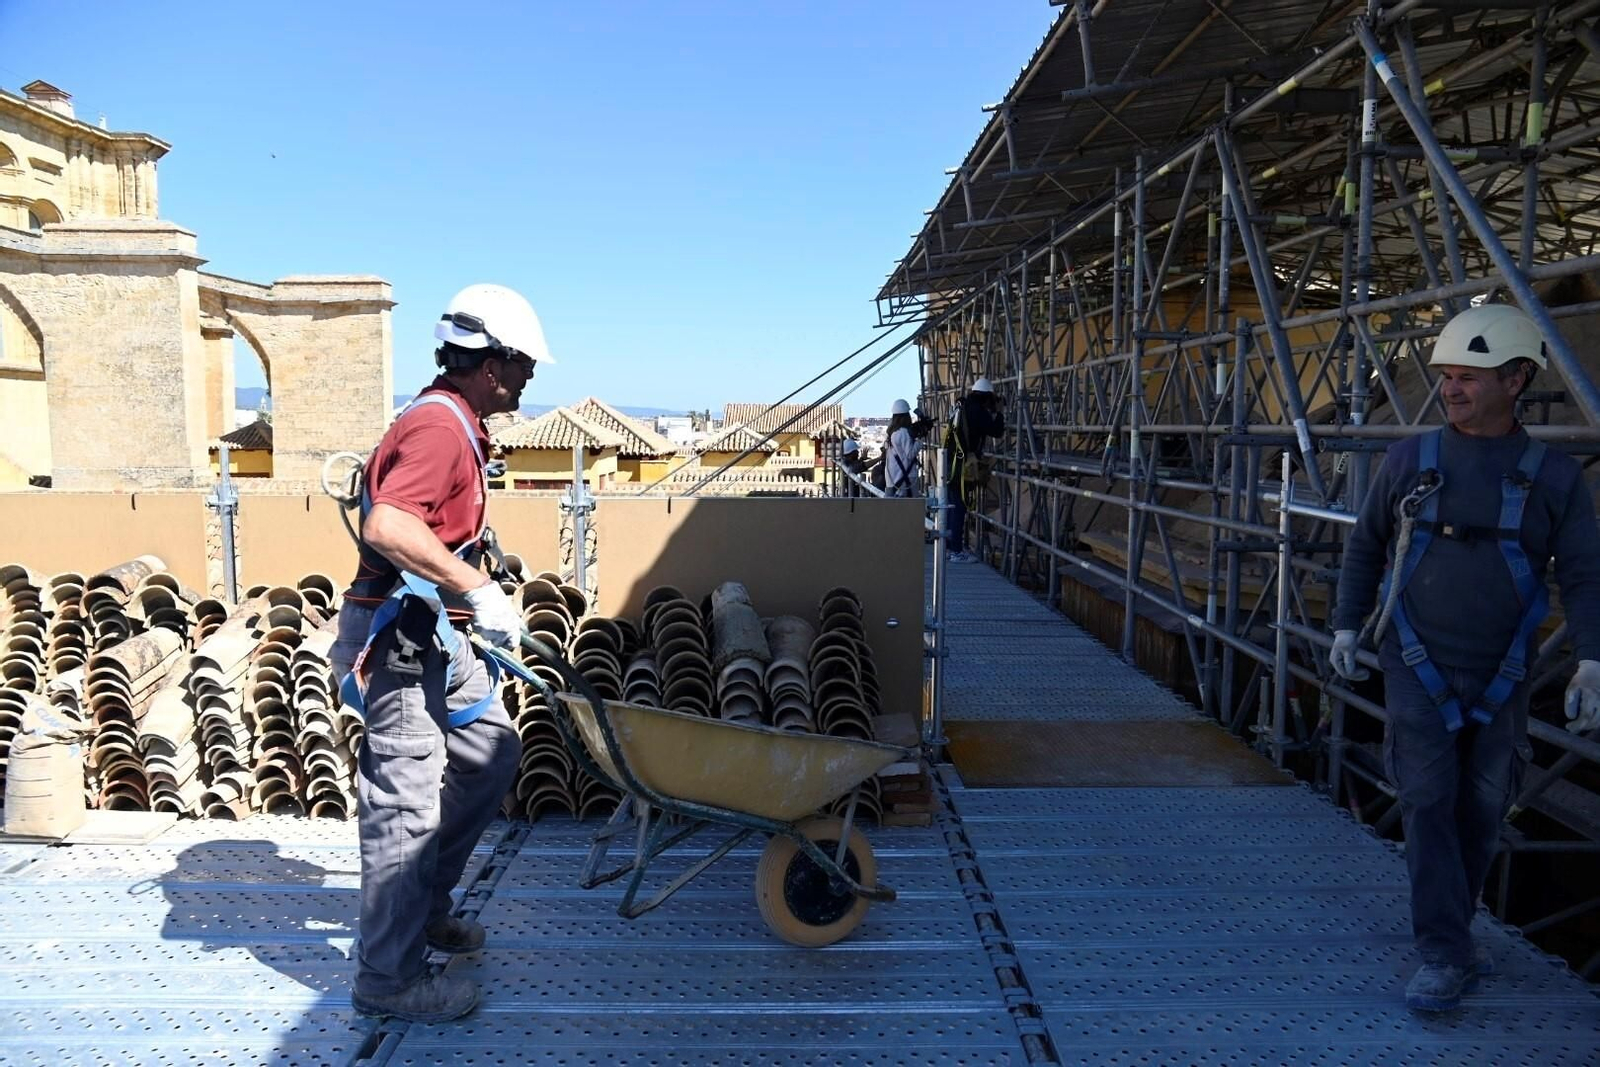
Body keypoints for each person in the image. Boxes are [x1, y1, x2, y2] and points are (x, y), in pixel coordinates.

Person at [1331, 303, 1600, 1013]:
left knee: (1483, 807)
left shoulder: (1553, 478)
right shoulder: (1410, 460)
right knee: (1425, 799)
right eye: (1446, 375)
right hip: (1416, 660)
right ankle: (1444, 951)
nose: (1449, 388)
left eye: (1467, 377)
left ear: (1516, 380)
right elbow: (1364, 545)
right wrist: (1345, 625)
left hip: (1503, 672)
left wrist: (1593, 659)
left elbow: (1583, 573)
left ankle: (1457, 929)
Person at [330, 283, 549, 1023]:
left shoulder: (457, 421)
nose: (528, 379)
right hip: (400, 638)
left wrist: (478, 582)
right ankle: (388, 980)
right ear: (490, 364)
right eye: (522, 366)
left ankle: (422, 909)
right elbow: (388, 525)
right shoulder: (439, 427)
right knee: (406, 804)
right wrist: (472, 587)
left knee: (490, 750)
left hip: (436, 631)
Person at [943, 378, 1005, 563]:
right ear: (986, 397)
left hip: (953, 461)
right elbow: (996, 431)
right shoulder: (977, 411)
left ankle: (949, 547)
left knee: (953, 506)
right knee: (960, 507)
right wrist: (1000, 413)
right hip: (963, 465)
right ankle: (955, 551)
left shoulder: (962, 407)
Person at [883, 399, 922, 498]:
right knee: (909, 510)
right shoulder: (903, 432)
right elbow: (910, 454)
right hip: (904, 480)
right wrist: (919, 441)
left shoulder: (891, 433)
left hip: (893, 479)